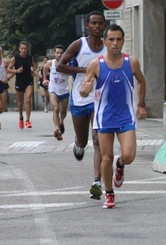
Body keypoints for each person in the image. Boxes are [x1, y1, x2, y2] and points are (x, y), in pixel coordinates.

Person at [80, 24, 147, 209]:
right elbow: (85, 86)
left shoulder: (131, 62)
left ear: (123, 41)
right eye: (111, 40)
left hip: (126, 116)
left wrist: (141, 104)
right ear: (104, 42)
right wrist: (85, 90)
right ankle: (109, 193)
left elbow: (141, 81)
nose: (115, 43)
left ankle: (120, 165)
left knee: (129, 155)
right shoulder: (96, 64)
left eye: (118, 39)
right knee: (106, 157)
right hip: (105, 118)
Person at [57, 11, 106, 200]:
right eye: (93, 23)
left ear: (103, 25)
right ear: (87, 26)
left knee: (97, 139)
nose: (97, 26)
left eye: (100, 23)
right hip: (79, 99)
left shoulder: (107, 46)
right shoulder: (79, 44)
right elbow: (61, 65)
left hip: (99, 99)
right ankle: (78, 145)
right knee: (84, 140)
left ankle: (96, 181)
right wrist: (83, 70)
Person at [42, 45, 69, 141]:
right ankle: (57, 129)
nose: (59, 54)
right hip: (53, 89)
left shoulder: (67, 63)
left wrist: (67, 71)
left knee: (63, 112)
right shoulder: (50, 63)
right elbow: (44, 68)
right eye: (57, 52)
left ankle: (61, 121)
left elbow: (71, 73)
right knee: (56, 108)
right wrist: (45, 79)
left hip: (64, 90)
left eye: (61, 53)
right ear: (54, 53)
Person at [7, 41, 36, 129]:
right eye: (22, 48)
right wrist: (16, 71)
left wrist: (33, 70)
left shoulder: (30, 57)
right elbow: (8, 69)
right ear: (19, 49)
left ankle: (27, 120)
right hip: (19, 82)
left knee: (28, 99)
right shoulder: (15, 58)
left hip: (28, 81)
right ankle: (21, 117)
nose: (23, 50)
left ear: (27, 49)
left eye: (25, 49)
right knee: (20, 102)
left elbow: (32, 66)